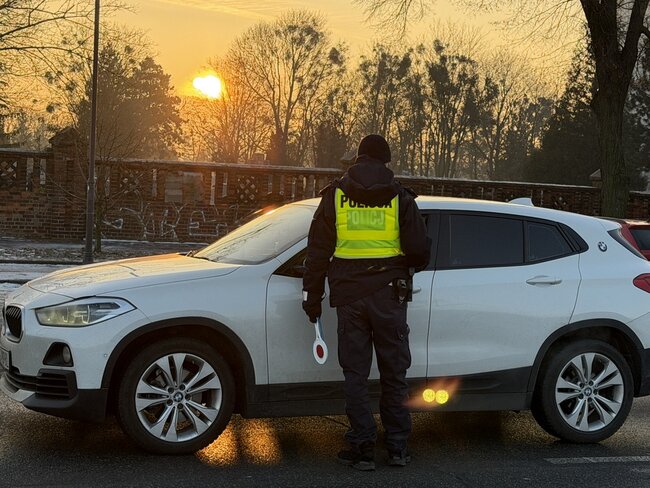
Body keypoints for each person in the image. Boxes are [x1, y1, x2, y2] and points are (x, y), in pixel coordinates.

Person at [302, 134, 430, 471]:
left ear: (358, 159)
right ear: (386, 161)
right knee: (394, 373)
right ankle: (398, 448)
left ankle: (362, 449)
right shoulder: (401, 198)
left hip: (349, 297)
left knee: (355, 375)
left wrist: (312, 297)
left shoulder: (335, 196)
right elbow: (419, 251)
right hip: (389, 295)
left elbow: (317, 253)